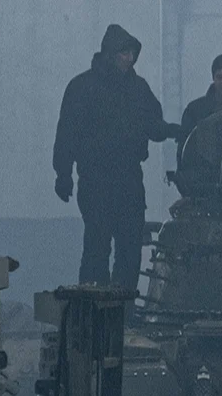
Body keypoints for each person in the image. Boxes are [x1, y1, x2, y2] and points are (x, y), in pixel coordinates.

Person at [53, 24, 179, 292]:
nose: (129, 58)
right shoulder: (82, 87)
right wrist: (63, 174)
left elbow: (153, 125)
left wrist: (172, 131)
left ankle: (123, 310)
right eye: (124, 52)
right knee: (97, 248)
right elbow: (67, 134)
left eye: (132, 53)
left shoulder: (138, 89)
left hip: (129, 179)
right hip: (95, 179)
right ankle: (93, 307)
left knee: (130, 249)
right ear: (109, 54)